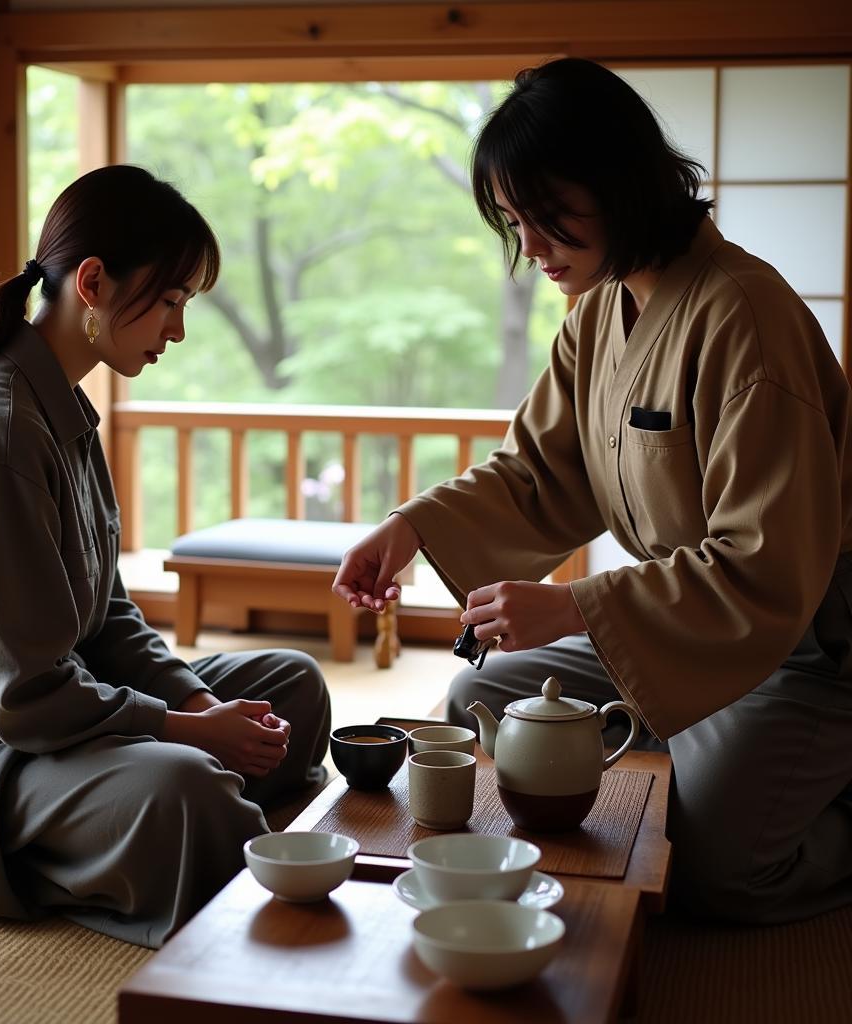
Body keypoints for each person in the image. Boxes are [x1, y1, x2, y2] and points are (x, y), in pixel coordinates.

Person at [334, 57, 852, 925]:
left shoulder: (745, 319)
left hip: (802, 643)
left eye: (549, 219)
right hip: (676, 624)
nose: (529, 249)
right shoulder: (597, 311)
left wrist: (575, 607)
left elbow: (765, 566)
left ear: (622, 187)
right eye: (513, 222)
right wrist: (412, 526)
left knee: (712, 865)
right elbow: (539, 475)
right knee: (475, 701)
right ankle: (699, 746)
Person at [0, 165, 330, 948]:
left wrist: (199, 708)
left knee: (294, 687)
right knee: (187, 790)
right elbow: (25, 698)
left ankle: (194, 810)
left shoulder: (62, 407)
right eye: (171, 301)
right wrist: (184, 734)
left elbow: (108, 616)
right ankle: (206, 835)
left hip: (67, 718)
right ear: (93, 283)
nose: (176, 331)